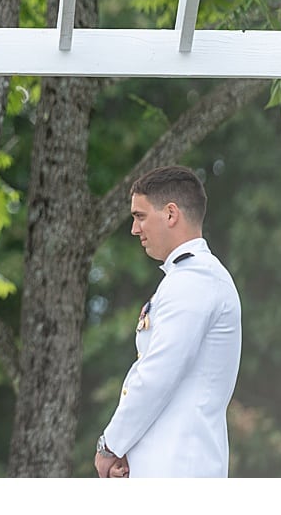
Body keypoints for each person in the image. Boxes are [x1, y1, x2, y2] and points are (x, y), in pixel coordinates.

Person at [95, 166, 242, 478]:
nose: (134, 229)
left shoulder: (195, 279)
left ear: (171, 214)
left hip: (180, 466)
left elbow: (157, 373)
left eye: (140, 216)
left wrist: (111, 445)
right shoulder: (189, 277)